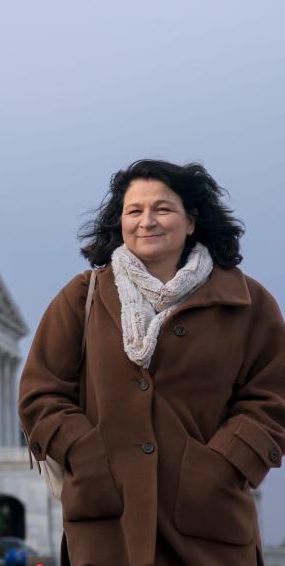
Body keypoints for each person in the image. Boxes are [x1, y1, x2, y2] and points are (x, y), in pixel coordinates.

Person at [19, 160, 285, 566]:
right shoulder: (81, 297)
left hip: (209, 523)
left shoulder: (248, 303)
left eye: (162, 209)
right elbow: (41, 392)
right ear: (120, 221)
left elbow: (272, 397)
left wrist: (221, 467)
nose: (148, 221)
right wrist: (88, 455)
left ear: (191, 221)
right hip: (109, 520)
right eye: (134, 210)